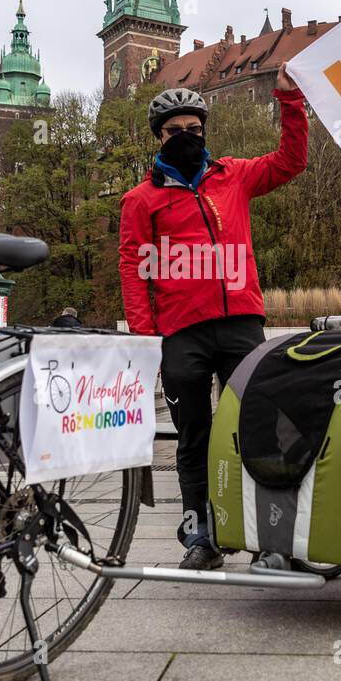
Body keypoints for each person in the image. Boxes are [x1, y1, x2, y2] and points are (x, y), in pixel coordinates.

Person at [118, 65, 308, 570]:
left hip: (242, 321)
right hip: (181, 334)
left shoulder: (235, 176)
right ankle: (200, 535)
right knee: (194, 436)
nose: (185, 137)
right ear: (159, 137)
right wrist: (145, 339)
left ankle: (271, 537)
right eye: (174, 131)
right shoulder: (141, 200)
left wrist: (290, 102)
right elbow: (134, 270)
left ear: (205, 131)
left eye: (194, 130)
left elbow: (292, 161)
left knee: (259, 427)